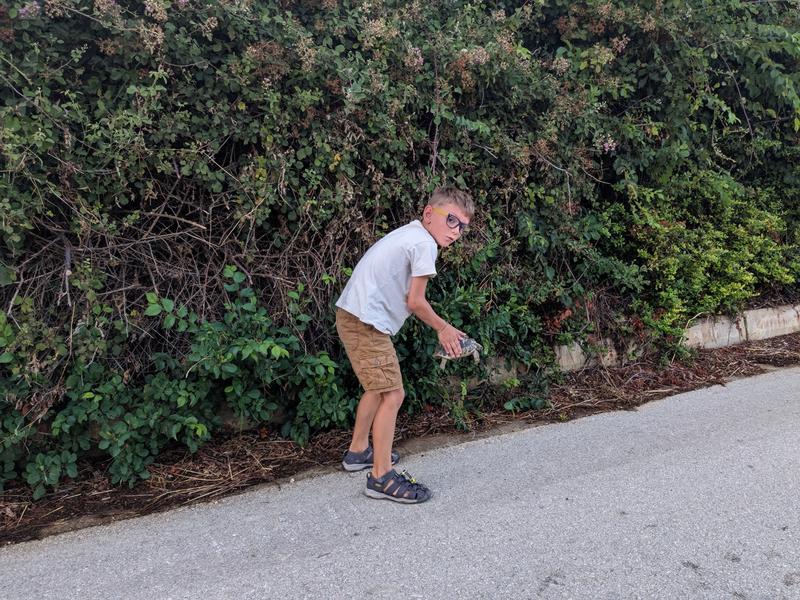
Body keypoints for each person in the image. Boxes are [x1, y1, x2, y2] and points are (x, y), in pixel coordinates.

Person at [335, 186, 475, 503]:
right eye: (451, 220)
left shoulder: (412, 235)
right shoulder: (424, 243)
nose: (457, 231)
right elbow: (415, 301)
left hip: (355, 316)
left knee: (377, 387)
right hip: (364, 322)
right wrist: (445, 329)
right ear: (429, 213)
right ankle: (381, 477)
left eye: (463, 226)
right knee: (393, 393)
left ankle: (358, 452)